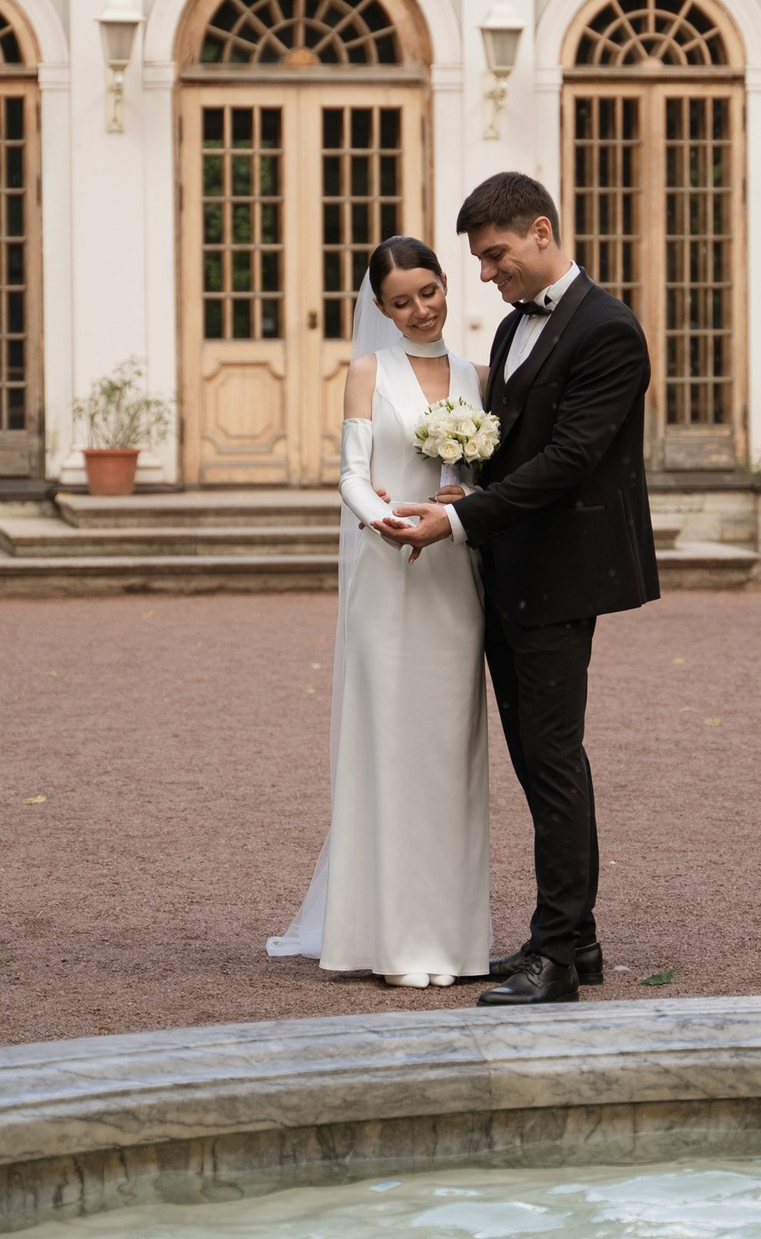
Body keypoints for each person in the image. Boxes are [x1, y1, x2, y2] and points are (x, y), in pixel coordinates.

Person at [375, 172, 659, 1007]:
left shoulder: (609, 330)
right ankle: (578, 936)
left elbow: (570, 459)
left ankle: (556, 959)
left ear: (540, 230)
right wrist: (461, 486)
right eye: (479, 260)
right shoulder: (509, 330)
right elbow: (512, 446)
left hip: (563, 573)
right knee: (538, 759)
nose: (487, 273)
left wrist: (460, 521)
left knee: (554, 760)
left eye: (496, 255)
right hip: (506, 569)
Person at [267, 235, 493, 988]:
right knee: (388, 746)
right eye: (402, 301)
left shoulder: (478, 376)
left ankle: (452, 941)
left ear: (445, 283)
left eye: (429, 291)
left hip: (452, 574)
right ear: (382, 309)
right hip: (387, 571)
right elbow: (352, 475)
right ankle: (389, 938)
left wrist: (465, 500)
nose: (421, 310)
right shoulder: (368, 372)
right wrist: (383, 518)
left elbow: (489, 476)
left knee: (448, 752)